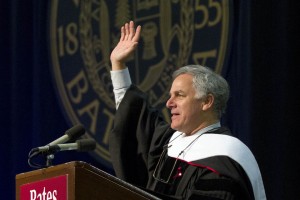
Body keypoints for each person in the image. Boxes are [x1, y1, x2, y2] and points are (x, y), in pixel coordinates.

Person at [109, 21, 266, 200]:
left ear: (207, 101)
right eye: (170, 95)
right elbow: (132, 116)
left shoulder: (226, 157)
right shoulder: (169, 142)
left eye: (179, 95)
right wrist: (118, 64)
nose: (169, 103)